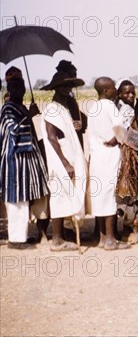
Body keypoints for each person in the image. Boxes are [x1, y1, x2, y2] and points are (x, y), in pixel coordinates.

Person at [40, 71, 87, 251]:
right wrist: (65, 162)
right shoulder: (52, 108)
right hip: (59, 157)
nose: (67, 89)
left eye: (69, 86)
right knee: (59, 194)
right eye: (63, 86)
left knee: (67, 194)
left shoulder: (64, 107)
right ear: (56, 88)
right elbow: (52, 138)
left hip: (68, 154)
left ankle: (62, 236)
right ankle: (57, 240)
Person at [0, 77, 50, 249]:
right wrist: (29, 115)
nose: (19, 90)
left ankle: (21, 236)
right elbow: (13, 130)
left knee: (23, 200)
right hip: (14, 160)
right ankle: (16, 240)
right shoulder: (8, 108)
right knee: (16, 200)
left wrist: (29, 113)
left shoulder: (19, 107)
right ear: (10, 89)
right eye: (15, 87)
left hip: (24, 161)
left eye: (21, 87)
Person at [88, 77, 130, 250]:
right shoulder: (109, 106)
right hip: (110, 155)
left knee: (100, 197)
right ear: (106, 91)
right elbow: (120, 126)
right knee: (110, 197)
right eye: (113, 88)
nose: (115, 91)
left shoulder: (92, 108)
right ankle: (112, 240)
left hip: (97, 156)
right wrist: (117, 139)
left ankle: (102, 239)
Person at [54, 60, 87, 148]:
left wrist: (82, 122)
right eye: (72, 75)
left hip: (76, 133)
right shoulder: (60, 100)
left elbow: (77, 114)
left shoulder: (70, 96)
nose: (74, 77)